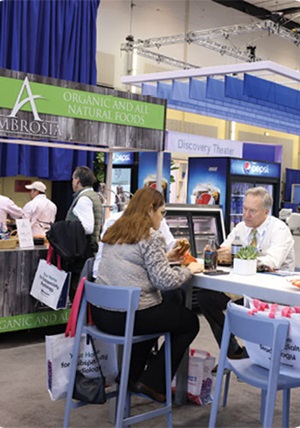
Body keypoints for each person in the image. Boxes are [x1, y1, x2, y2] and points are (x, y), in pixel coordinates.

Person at [91, 187, 203, 403]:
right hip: (126, 317)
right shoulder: (151, 237)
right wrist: (190, 270)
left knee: (155, 318)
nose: (162, 219)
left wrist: (165, 257)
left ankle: (131, 377)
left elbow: (136, 263)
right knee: (188, 322)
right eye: (162, 213)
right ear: (150, 210)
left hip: (102, 315)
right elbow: (166, 282)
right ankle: (154, 381)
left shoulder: (116, 230)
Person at [197, 186, 295, 365]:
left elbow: (270, 263)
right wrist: (216, 252)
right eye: (244, 209)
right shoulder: (241, 227)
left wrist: (236, 256)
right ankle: (233, 351)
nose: (246, 214)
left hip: (272, 294)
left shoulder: (279, 230)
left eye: (252, 211)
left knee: (248, 312)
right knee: (205, 297)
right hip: (245, 288)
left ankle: (258, 358)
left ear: (266, 211)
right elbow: (225, 249)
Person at [66, 166, 102, 300]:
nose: (72, 183)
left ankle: (77, 320)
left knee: (77, 293)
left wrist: (65, 229)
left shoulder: (84, 199)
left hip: (81, 254)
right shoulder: (94, 196)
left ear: (77, 180)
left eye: (72, 179)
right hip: (89, 251)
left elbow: (87, 228)